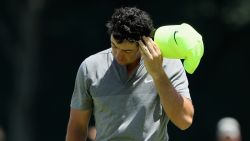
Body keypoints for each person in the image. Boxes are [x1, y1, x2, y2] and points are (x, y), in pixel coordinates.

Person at [66, 6, 196, 141]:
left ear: (145, 43)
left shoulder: (169, 64)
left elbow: (184, 120)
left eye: (127, 51)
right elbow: (77, 126)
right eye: (114, 46)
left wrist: (158, 73)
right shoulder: (90, 67)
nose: (118, 56)